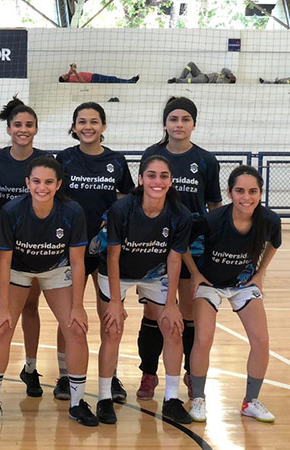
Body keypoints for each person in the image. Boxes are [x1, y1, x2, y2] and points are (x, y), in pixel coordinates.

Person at [0, 156, 97, 427]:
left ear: (58, 184)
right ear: (27, 183)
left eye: (48, 182)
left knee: (76, 328)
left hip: (56, 269)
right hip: (18, 269)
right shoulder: (12, 211)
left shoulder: (72, 211)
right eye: (36, 181)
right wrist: (1, 305)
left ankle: (77, 403)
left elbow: (78, 262)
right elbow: (5, 261)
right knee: (1, 327)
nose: (41, 187)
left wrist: (78, 305)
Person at [96, 155, 193, 425]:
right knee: (112, 328)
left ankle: (172, 399)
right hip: (118, 272)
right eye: (151, 175)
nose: (157, 181)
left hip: (154, 274)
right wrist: (116, 301)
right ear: (140, 179)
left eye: (163, 176)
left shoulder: (180, 215)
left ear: (171, 181)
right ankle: (104, 397)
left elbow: (174, 259)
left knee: (173, 327)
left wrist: (172, 303)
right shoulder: (122, 209)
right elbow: (113, 256)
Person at [138, 97, 222, 401]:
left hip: (192, 247)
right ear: (165, 123)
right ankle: (149, 373)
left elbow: (214, 205)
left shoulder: (206, 160)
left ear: (193, 124)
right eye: (173, 119)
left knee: (187, 314)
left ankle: (187, 372)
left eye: (185, 119)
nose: (179, 125)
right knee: (154, 312)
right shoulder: (152, 155)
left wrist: (216, 240)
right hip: (154, 245)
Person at [185, 166, 280, 423]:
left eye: (252, 191)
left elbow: (275, 244)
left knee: (261, 341)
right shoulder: (212, 220)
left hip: (242, 283)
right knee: (203, 339)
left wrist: (260, 273)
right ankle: (199, 399)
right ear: (229, 193)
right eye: (239, 191)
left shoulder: (270, 220)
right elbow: (182, 244)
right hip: (210, 283)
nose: (246, 197)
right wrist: (195, 273)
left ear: (260, 193)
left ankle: (250, 401)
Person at [56, 102, 135, 403]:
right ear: (74, 126)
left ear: (103, 126)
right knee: (69, 317)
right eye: (81, 121)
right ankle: (65, 376)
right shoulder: (64, 159)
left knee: (109, 317)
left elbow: (127, 198)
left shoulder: (116, 160)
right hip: (70, 248)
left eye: (94, 121)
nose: (87, 126)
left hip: (105, 250)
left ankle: (110, 375)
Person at [0, 97, 49, 399]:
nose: (23, 129)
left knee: (31, 307)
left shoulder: (44, 162)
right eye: (18, 124)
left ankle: (30, 368)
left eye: (29, 125)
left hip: (34, 247)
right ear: (8, 129)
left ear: (36, 129)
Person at [59, 63, 139, 83]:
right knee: (112, 80)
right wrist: (75, 72)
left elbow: (72, 68)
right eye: (64, 77)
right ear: (65, 80)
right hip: (93, 79)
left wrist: (72, 67)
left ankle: (129, 81)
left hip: (93, 76)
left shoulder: (69, 76)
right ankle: (130, 82)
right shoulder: (71, 81)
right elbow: (82, 82)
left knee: (113, 78)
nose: (65, 75)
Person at [168, 62, 236, 84]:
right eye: (233, 77)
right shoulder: (225, 73)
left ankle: (176, 80)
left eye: (233, 79)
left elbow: (218, 81)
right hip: (202, 75)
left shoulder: (225, 81)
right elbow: (224, 69)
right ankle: (182, 78)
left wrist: (228, 78)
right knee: (191, 64)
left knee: (192, 80)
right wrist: (230, 73)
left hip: (205, 80)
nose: (232, 77)